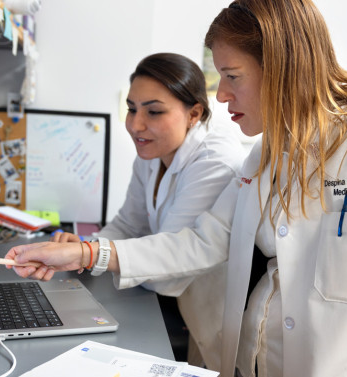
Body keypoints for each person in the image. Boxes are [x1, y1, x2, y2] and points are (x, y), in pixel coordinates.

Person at [4, 1, 347, 376]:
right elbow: (203, 242)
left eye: (232, 77)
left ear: (284, 65)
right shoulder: (265, 155)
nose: (220, 95)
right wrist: (86, 255)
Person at [49, 52, 245, 364]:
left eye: (153, 112)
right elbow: (129, 224)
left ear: (194, 113)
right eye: (131, 109)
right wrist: (85, 247)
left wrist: (90, 254)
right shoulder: (153, 150)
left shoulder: (214, 159)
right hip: (165, 304)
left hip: (203, 309)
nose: (136, 125)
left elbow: (168, 271)